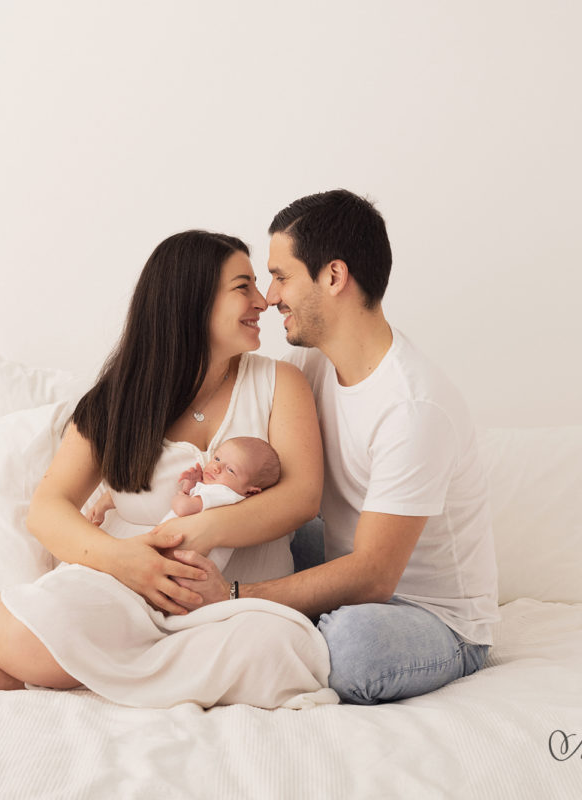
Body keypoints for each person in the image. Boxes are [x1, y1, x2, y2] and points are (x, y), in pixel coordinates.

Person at [0, 230, 334, 709]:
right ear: (191, 301)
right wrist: (127, 562)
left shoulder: (279, 385)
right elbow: (48, 509)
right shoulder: (118, 401)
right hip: (125, 593)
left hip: (232, 608)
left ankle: (56, 672)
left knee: (278, 653)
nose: (263, 300)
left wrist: (202, 527)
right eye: (243, 287)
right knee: (50, 620)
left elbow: (302, 497)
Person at [170, 190, 499, 705]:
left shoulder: (413, 406)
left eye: (281, 276)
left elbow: (373, 575)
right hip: (334, 559)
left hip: (431, 616)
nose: (270, 296)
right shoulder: (310, 370)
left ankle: (245, 630)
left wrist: (236, 595)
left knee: (352, 647)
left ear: (334, 276)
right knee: (252, 530)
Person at [85, 436, 282, 571]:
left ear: (251, 491)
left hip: (181, 561)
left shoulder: (225, 495)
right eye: (217, 458)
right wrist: (193, 485)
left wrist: (183, 491)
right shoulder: (223, 493)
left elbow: (182, 508)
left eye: (230, 470)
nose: (216, 467)